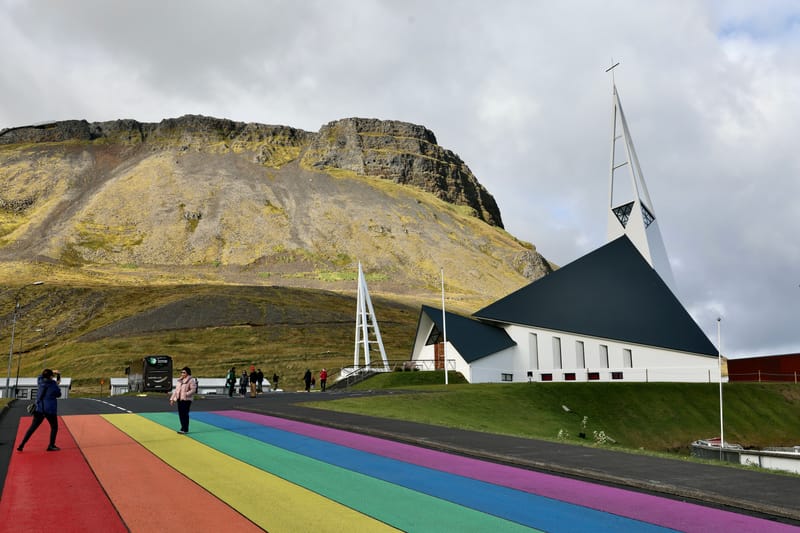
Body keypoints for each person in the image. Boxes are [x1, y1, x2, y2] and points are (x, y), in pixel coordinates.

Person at [17, 368, 62, 452]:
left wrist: (51, 372)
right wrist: (58, 375)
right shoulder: (53, 385)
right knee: (54, 427)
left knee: (32, 428)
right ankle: (51, 445)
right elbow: (58, 394)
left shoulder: (40, 381)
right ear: (51, 376)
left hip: (39, 409)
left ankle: (22, 444)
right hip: (50, 410)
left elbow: (39, 376)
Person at [170, 367, 197, 434]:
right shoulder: (179, 380)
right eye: (181, 372)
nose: (182, 374)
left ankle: (185, 428)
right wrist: (172, 399)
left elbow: (193, 390)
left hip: (186, 400)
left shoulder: (191, 380)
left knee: (185, 414)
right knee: (181, 414)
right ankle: (182, 427)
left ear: (187, 373)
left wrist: (185, 394)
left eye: (184, 372)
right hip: (179, 399)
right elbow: (176, 391)